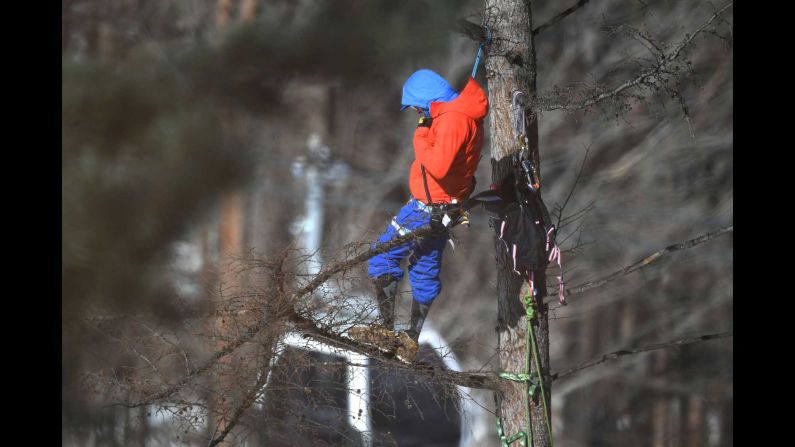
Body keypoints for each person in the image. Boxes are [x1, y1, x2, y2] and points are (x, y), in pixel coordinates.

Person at [355, 69, 488, 362]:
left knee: (381, 258)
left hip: (426, 207)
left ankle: (387, 334)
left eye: (416, 106)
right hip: (443, 209)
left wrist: (421, 133)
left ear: (428, 100)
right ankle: (410, 342)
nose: (416, 113)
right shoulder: (458, 116)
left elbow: (438, 167)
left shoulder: (452, 119)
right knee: (423, 269)